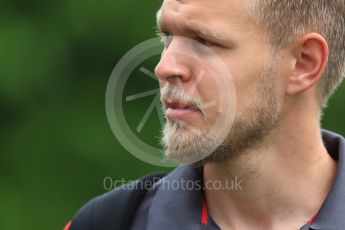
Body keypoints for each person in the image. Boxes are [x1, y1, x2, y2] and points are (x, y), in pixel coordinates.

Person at [66, 0, 345, 229]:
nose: (164, 67)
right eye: (167, 36)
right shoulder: (106, 222)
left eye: (203, 41)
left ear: (303, 63)